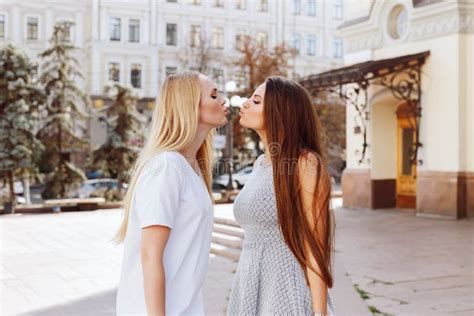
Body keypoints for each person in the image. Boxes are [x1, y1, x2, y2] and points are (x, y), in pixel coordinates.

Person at [114, 72, 228, 315]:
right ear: (189, 105)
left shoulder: (192, 167)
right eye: (214, 95)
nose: (224, 101)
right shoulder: (166, 166)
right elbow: (150, 254)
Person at [228, 76, 336, 315]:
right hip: (249, 283)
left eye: (256, 101)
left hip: (285, 288)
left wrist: (320, 312)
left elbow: (314, 244)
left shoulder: (305, 163)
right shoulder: (259, 164)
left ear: (280, 112)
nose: (245, 104)